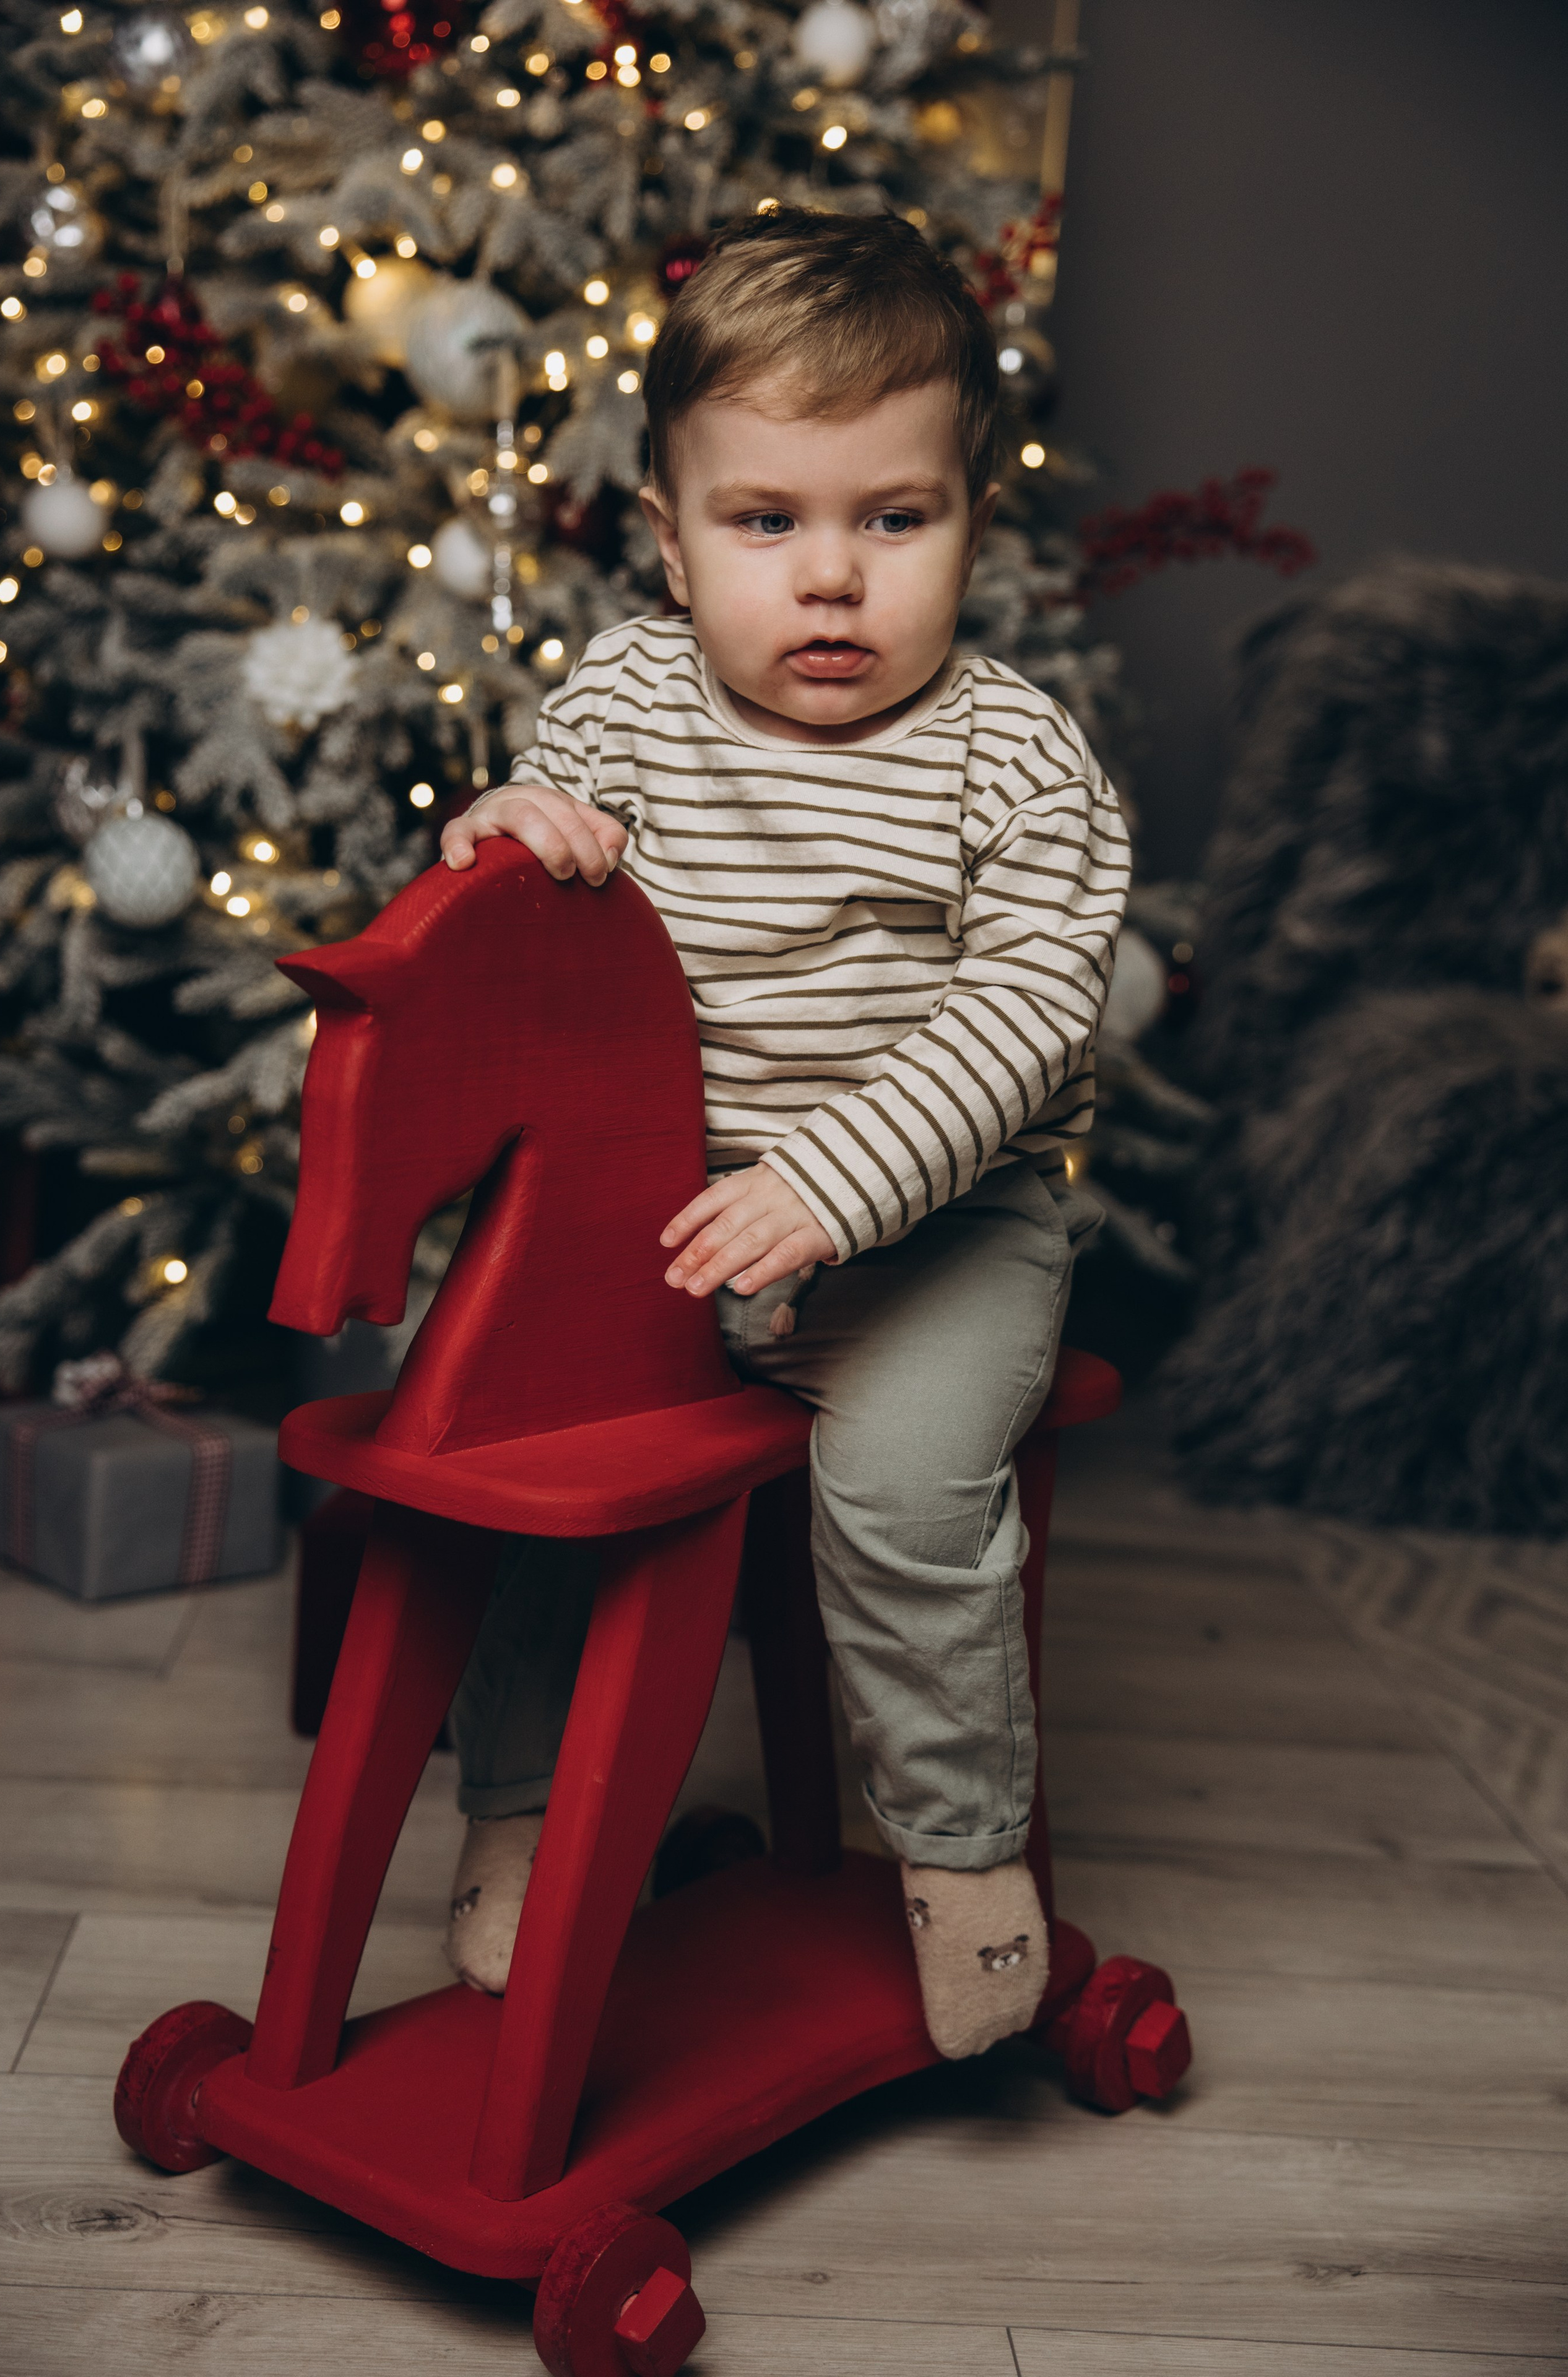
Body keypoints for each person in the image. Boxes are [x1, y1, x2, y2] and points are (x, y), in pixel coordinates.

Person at [436, 206, 1128, 2059]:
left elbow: (1027, 1013)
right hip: (682, 1230)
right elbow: (541, 823)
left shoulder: (1015, 759)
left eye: (893, 520)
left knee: (901, 1497)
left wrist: (835, 1182)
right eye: (770, 523)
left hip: (937, 1239)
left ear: (975, 522)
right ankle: (519, 1821)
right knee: (547, 1476)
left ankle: (963, 1856)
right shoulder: (641, 695)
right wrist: (513, 827)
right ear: (670, 543)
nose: (832, 580)